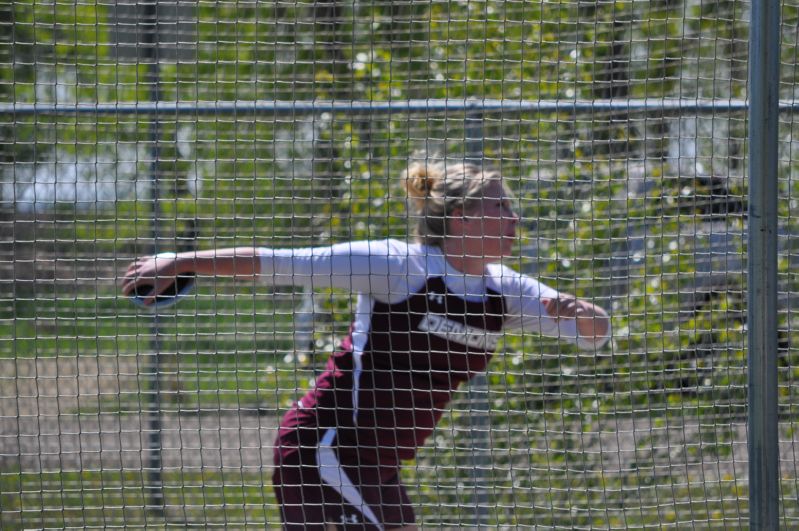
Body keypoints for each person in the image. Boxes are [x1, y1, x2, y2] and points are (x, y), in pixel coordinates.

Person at [121, 159, 611, 530]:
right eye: (501, 206)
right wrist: (179, 262)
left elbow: (598, 333)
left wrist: (584, 315)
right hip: (325, 449)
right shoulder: (399, 267)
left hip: (374, 467)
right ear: (461, 217)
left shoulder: (506, 291)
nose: (515, 219)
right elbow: (283, 262)